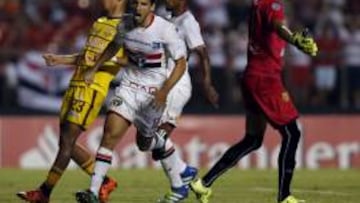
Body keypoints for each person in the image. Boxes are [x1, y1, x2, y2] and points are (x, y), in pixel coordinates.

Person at [189, 0, 318, 203]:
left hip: (253, 76)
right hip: (265, 79)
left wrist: (294, 36)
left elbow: (275, 27)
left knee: (253, 140)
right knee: (292, 133)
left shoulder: (260, 4)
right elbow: (277, 26)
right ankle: (285, 196)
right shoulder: (272, 4)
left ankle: (203, 184)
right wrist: (294, 40)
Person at [16, 0, 130, 202]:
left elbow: (128, 59)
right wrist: (60, 60)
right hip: (76, 83)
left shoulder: (126, 28)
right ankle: (104, 182)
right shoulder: (100, 22)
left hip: (92, 88)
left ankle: (44, 193)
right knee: (65, 142)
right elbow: (86, 56)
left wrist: (104, 63)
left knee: (67, 142)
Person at [74, 0, 188, 202]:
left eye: (143, 4)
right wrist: (94, 68)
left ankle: (179, 175)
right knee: (109, 136)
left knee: (144, 144)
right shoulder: (124, 25)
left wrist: (165, 91)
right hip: (129, 87)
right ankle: (93, 191)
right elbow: (113, 47)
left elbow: (181, 64)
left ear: (151, 7)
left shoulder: (166, 30)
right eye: (135, 3)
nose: (138, 8)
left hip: (154, 93)